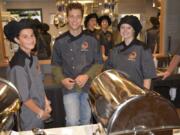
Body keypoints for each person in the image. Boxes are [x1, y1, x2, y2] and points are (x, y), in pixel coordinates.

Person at [51, 3, 102, 126]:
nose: (74, 20)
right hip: (70, 88)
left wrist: (86, 76)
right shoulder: (59, 41)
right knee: (72, 121)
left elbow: (99, 63)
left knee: (86, 120)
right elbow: (55, 66)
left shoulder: (92, 40)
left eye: (78, 16)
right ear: (67, 18)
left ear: (82, 18)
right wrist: (62, 80)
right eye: (71, 16)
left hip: (88, 88)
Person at [4, 19, 52, 130]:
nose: (31, 39)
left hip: (39, 109)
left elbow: (39, 83)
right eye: (25, 37)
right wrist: (41, 112)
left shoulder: (34, 58)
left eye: (32, 35)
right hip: (28, 115)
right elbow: (24, 99)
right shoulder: (18, 66)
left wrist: (46, 102)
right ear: (17, 40)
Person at [105, 15, 156, 89]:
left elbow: (147, 77)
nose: (125, 30)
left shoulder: (143, 48)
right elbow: (108, 71)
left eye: (129, 28)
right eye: (122, 27)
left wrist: (145, 95)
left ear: (134, 30)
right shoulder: (115, 49)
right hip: (119, 92)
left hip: (138, 93)